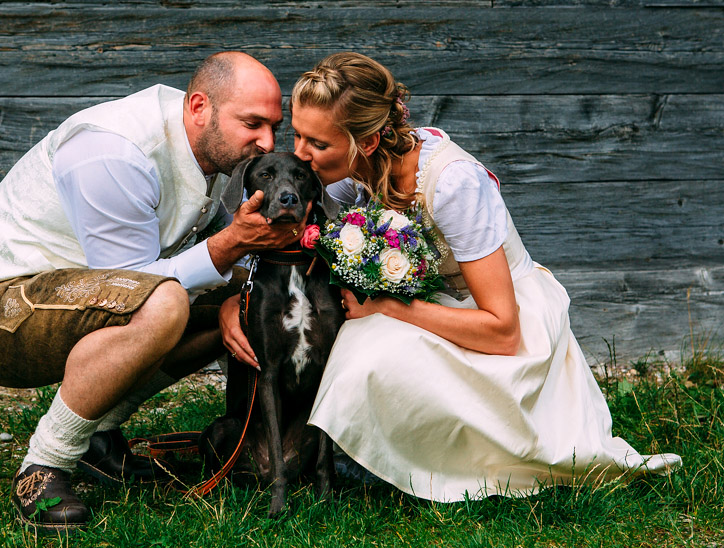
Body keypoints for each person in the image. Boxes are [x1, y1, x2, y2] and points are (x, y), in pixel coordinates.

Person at [220, 52, 681, 502]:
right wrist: (234, 298)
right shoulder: (342, 173)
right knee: (357, 338)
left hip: (501, 320)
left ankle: (441, 457)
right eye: (298, 135)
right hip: (433, 306)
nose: (301, 156)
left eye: (318, 144)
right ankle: (385, 450)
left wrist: (386, 307)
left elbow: (504, 331)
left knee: (365, 349)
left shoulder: (454, 183)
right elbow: (283, 244)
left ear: (369, 141)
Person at [0, 51, 308, 531]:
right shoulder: (116, 151)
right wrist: (233, 244)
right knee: (163, 301)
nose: (267, 142)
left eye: (273, 127)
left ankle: (99, 433)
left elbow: (219, 251)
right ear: (200, 107)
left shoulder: (210, 145)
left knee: (248, 297)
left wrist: (239, 290)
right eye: (253, 124)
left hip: (73, 294)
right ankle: (44, 465)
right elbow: (136, 288)